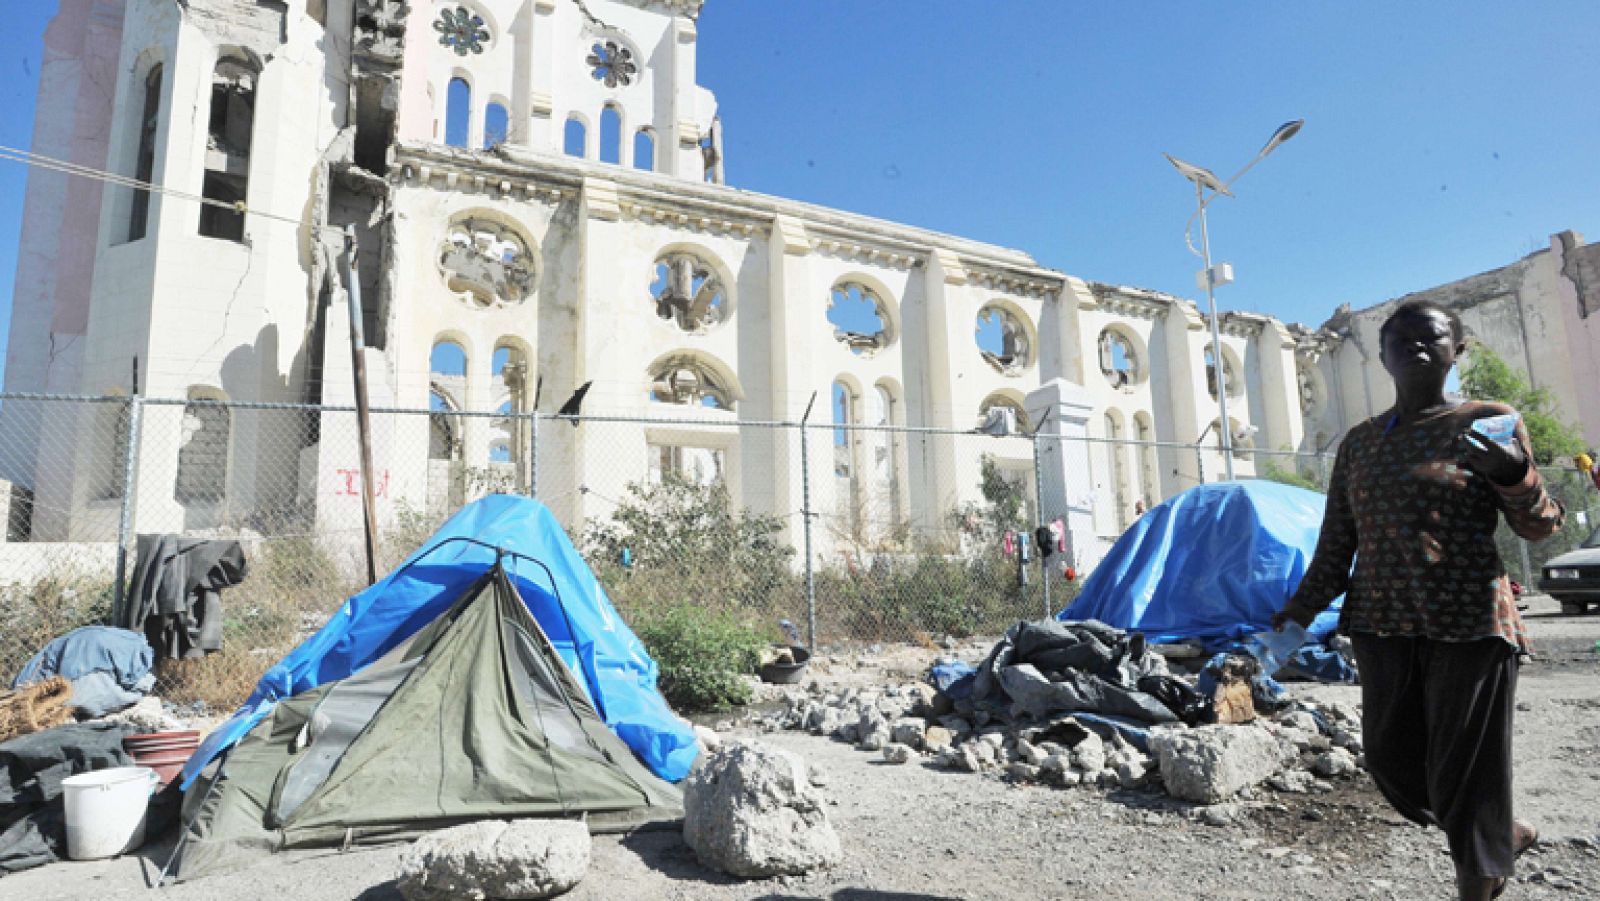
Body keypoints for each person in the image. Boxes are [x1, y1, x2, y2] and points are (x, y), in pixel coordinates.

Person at [1272, 300, 1564, 901]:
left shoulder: (1492, 422)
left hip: (1471, 623)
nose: (1415, 346)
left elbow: (1540, 527)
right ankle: (1498, 832)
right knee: (1389, 761)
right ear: (1381, 357)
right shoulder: (1359, 445)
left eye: (1430, 337)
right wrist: (1293, 618)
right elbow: (1336, 546)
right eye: (1398, 340)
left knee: (1468, 769)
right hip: (1381, 625)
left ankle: (1479, 872)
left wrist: (1515, 475)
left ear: (1457, 349)